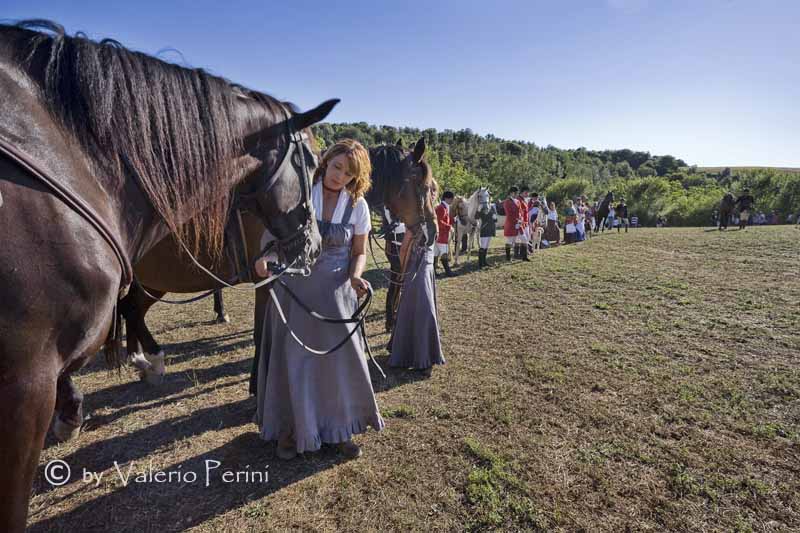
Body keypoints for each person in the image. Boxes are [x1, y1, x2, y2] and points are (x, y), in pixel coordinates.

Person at [253, 139, 383, 461]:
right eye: (337, 167)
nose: (340, 176)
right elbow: (274, 235)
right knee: (292, 361)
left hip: (336, 294)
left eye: (349, 173)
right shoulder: (299, 192)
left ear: (356, 177)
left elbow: (360, 252)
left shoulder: (358, 206)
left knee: (338, 363)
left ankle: (340, 429)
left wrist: (355, 277)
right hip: (294, 290)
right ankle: (290, 428)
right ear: (326, 161)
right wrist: (265, 255)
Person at [387, 184, 445, 371]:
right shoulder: (423, 219)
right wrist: (405, 272)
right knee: (420, 309)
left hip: (425, 269)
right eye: (430, 192)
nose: (432, 195)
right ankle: (416, 354)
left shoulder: (426, 218)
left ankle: (417, 352)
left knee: (417, 309)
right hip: (418, 269)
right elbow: (405, 248)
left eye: (433, 191)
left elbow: (405, 248)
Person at [434, 191, 455, 276]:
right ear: (447, 198)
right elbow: (439, 222)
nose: (452, 201)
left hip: (439, 235)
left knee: (436, 254)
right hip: (442, 235)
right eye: (451, 199)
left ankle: (433, 272)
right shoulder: (441, 208)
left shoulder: (444, 207)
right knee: (444, 254)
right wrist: (449, 227)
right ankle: (448, 272)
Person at [476, 191, 498, 268]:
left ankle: (484, 261)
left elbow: (495, 219)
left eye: (490, 197)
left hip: (491, 229)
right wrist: (478, 210)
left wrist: (495, 217)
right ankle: (480, 263)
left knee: (486, 246)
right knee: (483, 246)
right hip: (484, 228)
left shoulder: (492, 207)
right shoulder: (482, 207)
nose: (490, 199)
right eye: (489, 197)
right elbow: (476, 217)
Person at [503, 186, 521, 261]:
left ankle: (516, 255)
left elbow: (520, 212)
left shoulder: (518, 201)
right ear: (511, 193)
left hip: (517, 223)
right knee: (509, 241)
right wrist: (515, 222)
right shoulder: (507, 202)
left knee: (517, 240)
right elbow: (509, 214)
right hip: (510, 224)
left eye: (516, 193)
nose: (516, 194)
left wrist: (520, 220)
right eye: (515, 193)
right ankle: (508, 257)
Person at [515, 186, 531, 261]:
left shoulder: (525, 200)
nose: (527, 194)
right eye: (526, 192)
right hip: (521, 222)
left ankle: (522, 253)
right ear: (522, 192)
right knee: (520, 239)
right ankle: (518, 254)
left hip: (526, 222)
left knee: (526, 238)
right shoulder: (518, 200)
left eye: (528, 192)